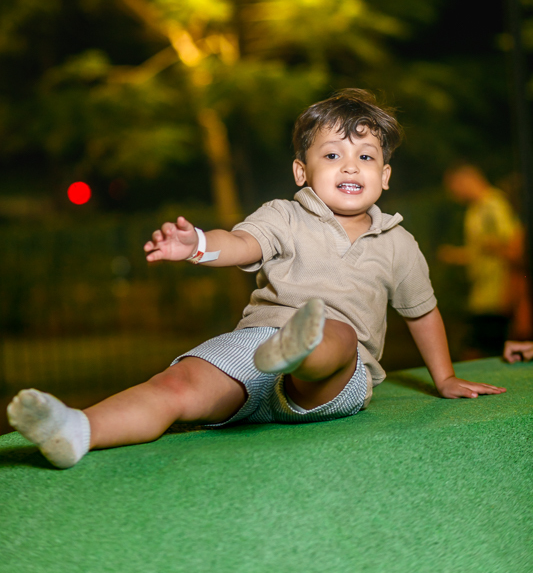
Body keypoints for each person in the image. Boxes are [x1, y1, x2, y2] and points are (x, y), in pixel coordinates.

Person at [7, 89, 506, 469]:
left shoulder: (398, 242)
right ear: (301, 171)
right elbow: (241, 243)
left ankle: (299, 351)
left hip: (334, 379)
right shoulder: (284, 215)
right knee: (176, 385)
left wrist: (444, 377)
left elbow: (422, 311)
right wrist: (197, 244)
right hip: (253, 351)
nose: (350, 166)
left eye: (366, 156)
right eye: (332, 155)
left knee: (335, 333)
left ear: (386, 175)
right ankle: (77, 429)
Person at [439, 164, 522, 358]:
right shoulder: (475, 209)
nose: (453, 195)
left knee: (480, 349)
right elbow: (481, 251)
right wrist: (457, 255)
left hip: (497, 291)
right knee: (480, 348)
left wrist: (494, 247)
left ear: (464, 181)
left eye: (453, 188)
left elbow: (514, 245)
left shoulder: (494, 204)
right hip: (481, 293)